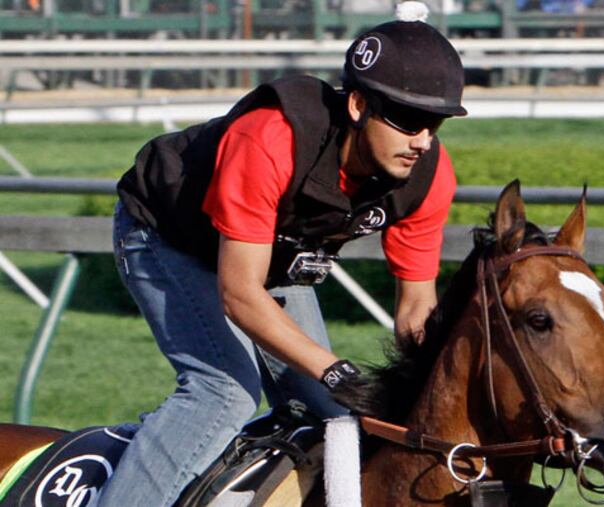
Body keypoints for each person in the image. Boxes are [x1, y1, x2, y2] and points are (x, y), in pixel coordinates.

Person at [98, 3, 466, 506]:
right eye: (406, 119)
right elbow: (240, 294)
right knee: (221, 396)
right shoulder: (271, 138)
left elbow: (415, 308)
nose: (422, 141)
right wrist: (333, 368)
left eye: (435, 124)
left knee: (341, 419)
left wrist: (434, 386)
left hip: (272, 252)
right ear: (357, 105)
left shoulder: (429, 178)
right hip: (167, 236)